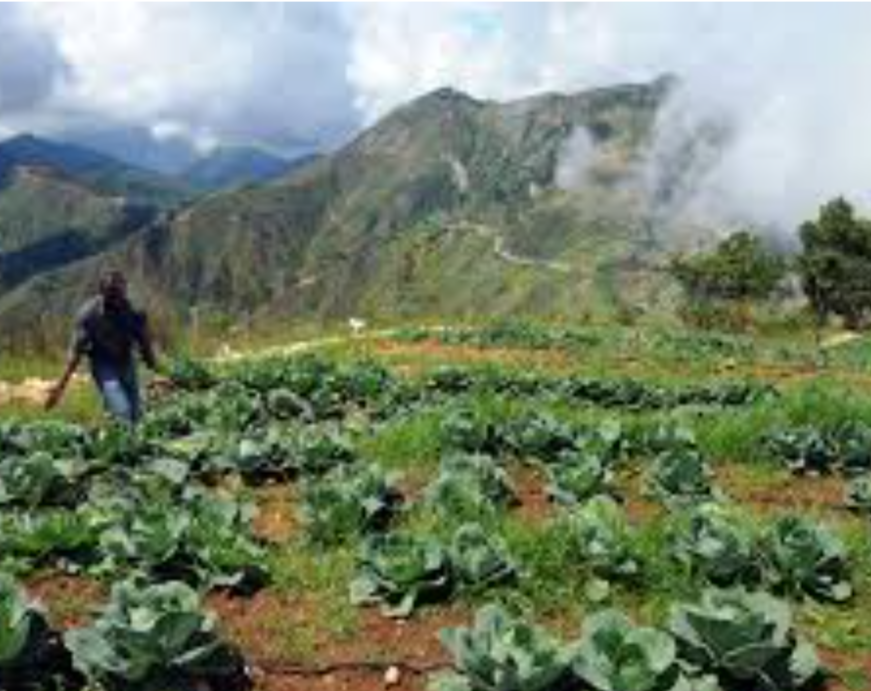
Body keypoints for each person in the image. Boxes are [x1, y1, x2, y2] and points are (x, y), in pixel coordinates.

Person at [45, 270, 162, 423]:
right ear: (102, 294)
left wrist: (159, 371)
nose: (117, 299)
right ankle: (121, 437)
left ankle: (124, 438)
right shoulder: (89, 316)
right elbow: (75, 355)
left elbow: (145, 345)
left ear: (125, 291)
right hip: (103, 364)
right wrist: (60, 388)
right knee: (122, 410)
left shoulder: (134, 313)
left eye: (120, 293)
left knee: (136, 414)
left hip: (127, 361)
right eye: (112, 294)